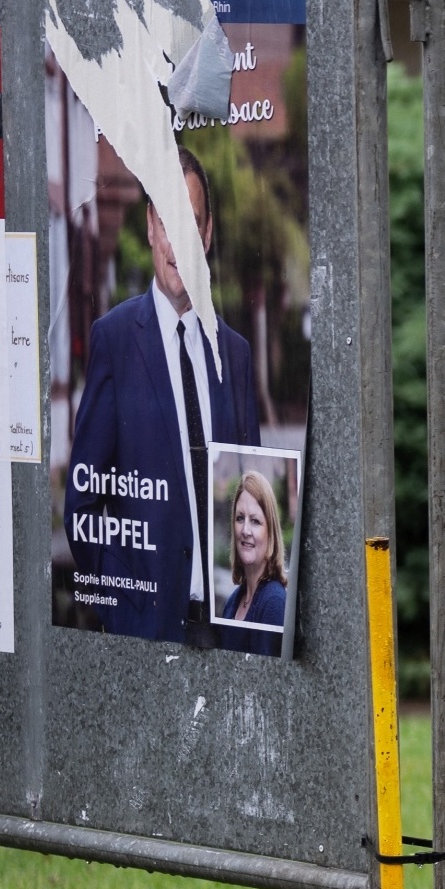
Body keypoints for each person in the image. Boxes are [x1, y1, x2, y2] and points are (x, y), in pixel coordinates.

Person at [65, 155, 262, 642]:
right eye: (168, 222)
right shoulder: (113, 341)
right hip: (145, 635)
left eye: (191, 223)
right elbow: (81, 505)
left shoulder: (234, 356)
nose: (179, 243)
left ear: (208, 233)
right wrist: (123, 607)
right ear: (151, 226)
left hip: (228, 635)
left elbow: (258, 494)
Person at [214, 463, 291, 657]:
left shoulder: (273, 602)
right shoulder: (233, 601)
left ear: (270, 531)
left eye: (255, 521)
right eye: (240, 518)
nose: (245, 530)